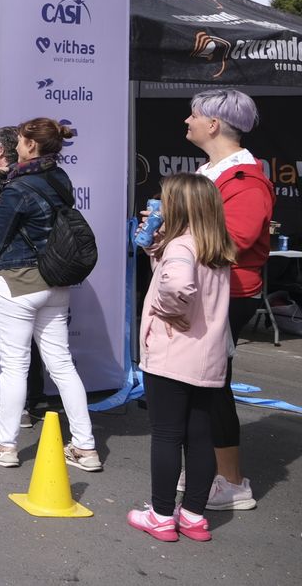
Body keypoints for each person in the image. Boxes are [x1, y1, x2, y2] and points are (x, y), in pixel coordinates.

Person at [0, 117, 101, 471]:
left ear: (29, 145)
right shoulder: (60, 178)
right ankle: (85, 447)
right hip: (54, 281)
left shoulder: (18, 188)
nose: (19, 145)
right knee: (61, 363)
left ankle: (5, 444)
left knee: (14, 367)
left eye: (23, 140)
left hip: (17, 282)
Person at [128, 173, 235, 543]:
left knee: (167, 436)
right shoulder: (215, 247)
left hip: (173, 355)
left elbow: (176, 286)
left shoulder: (181, 248)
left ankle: (160, 515)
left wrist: (164, 306)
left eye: (166, 200)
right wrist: (155, 249)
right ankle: (192, 515)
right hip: (207, 359)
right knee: (200, 437)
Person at [184, 88, 272, 510]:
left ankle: (233, 481)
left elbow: (235, 241)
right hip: (203, 288)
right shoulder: (213, 173)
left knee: (213, 385)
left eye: (193, 115)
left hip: (228, 292)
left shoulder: (246, 180)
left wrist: (177, 236)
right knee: (195, 383)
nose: (187, 121)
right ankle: (206, 466)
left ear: (213, 124)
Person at [0, 126, 45, 430]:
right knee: (45, 351)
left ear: (2, 151)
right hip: (39, 277)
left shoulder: (11, 187)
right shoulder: (36, 179)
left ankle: (15, 419)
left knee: (13, 353)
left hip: (7, 274)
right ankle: (34, 406)